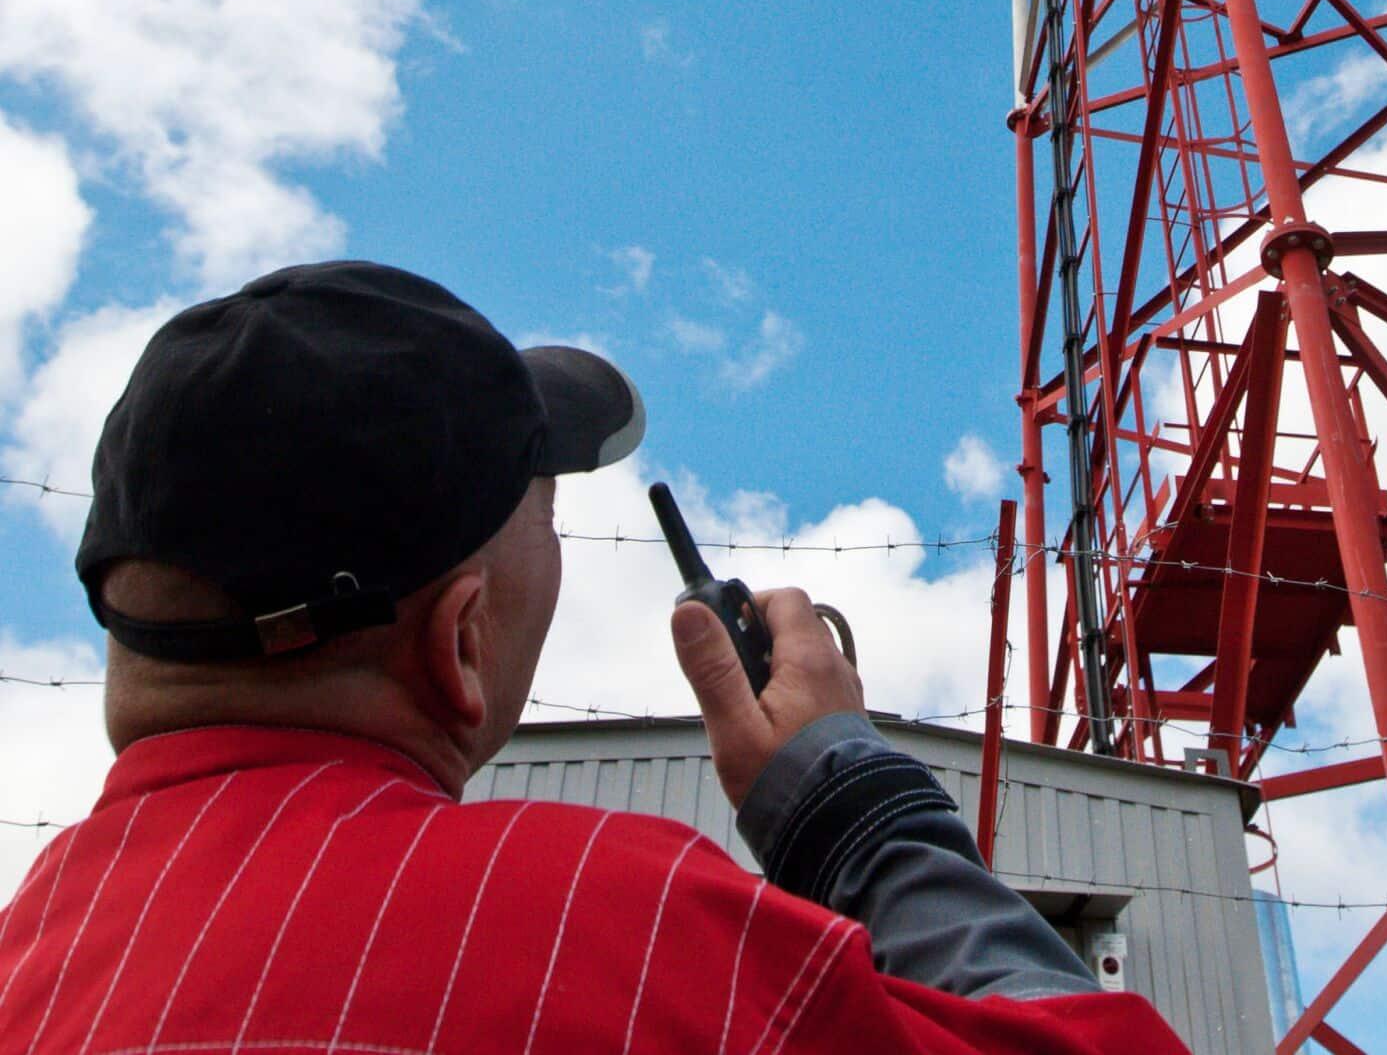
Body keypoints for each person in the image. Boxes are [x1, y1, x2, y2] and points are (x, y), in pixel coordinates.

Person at [0, 261, 1187, 1053]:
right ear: (461, 643)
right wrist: (854, 807)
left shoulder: (25, 964)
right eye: (547, 510)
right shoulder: (613, 925)